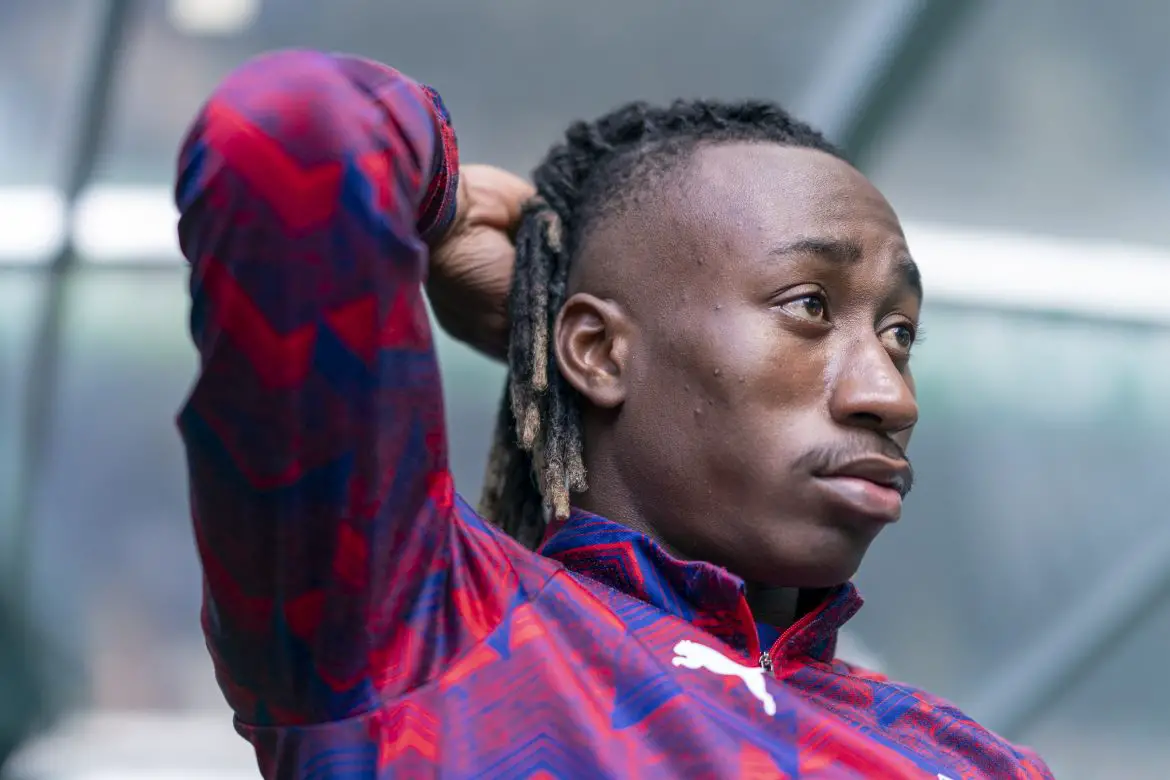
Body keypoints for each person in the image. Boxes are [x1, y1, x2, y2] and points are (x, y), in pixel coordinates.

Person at [176, 50, 1053, 779]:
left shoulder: (974, 760)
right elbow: (293, 127)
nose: (891, 395)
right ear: (596, 351)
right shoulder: (422, 631)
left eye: (900, 335)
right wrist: (448, 208)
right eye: (809, 307)